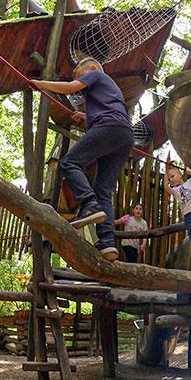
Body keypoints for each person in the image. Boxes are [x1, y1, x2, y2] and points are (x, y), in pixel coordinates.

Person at [32, 57, 135, 261]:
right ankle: (107, 244)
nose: (83, 83)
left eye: (82, 76)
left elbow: (71, 88)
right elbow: (112, 110)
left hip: (109, 127)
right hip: (123, 135)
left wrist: (41, 84)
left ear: (93, 69)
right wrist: (87, 117)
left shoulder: (96, 74)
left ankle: (89, 204)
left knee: (69, 162)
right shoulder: (110, 90)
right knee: (103, 190)